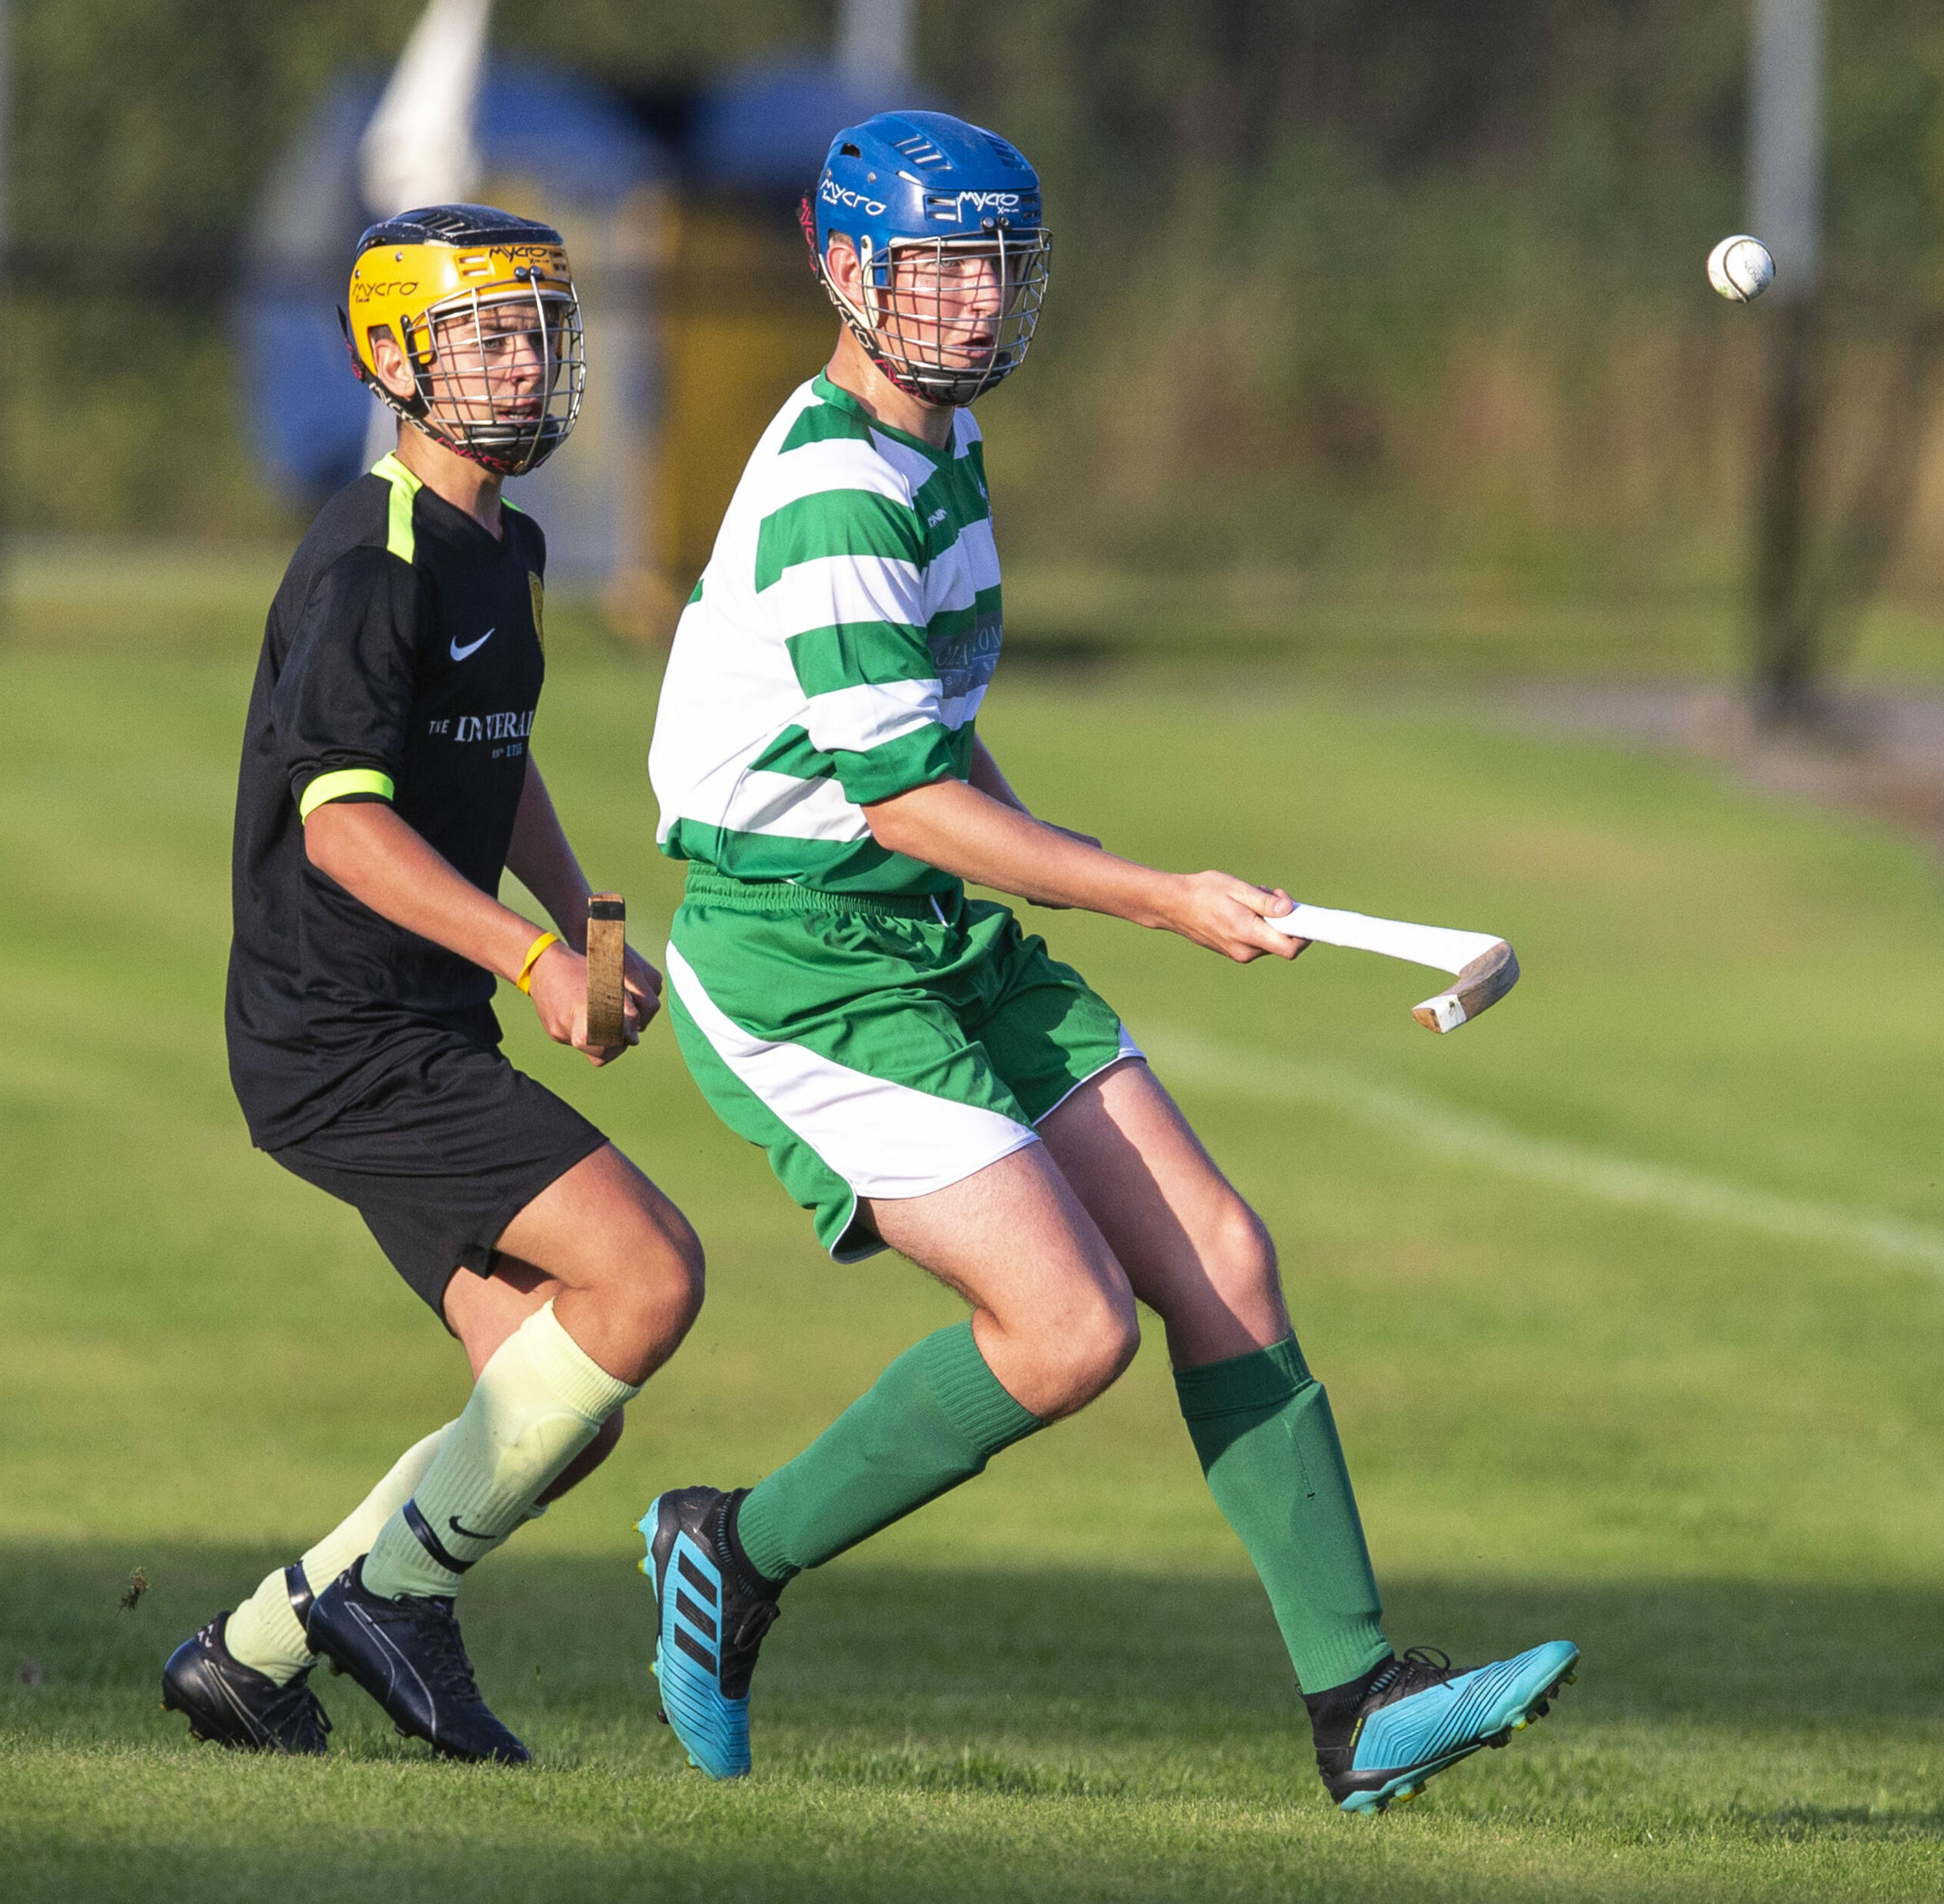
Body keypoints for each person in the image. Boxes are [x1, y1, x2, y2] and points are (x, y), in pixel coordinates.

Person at [639, 115, 1577, 1815]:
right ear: (840, 264)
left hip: (920, 920)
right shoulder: (833, 489)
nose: (971, 297)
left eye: (996, 261)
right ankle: (730, 1550)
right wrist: (1154, 894)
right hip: (798, 957)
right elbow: (904, 799)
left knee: (1218, 1254)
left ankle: (1357, 1707)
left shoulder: (946, 444)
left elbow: (938, 751)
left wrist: (1089, 884)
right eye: (935, 261)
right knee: (1065, 1333)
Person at [159, 205, 703, 1766]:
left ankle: (254, 1655)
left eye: (537, 328)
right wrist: (527, 961)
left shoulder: (505, 543)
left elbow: (488, 754)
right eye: (483, 335)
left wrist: (583, 925)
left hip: (415, 1023)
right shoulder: (368, 559)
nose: (520, 360)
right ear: (388, 361)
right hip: (342, 1039)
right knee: (648, 1276)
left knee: (549, 1411)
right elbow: (346, 832)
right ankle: (393, 1602)